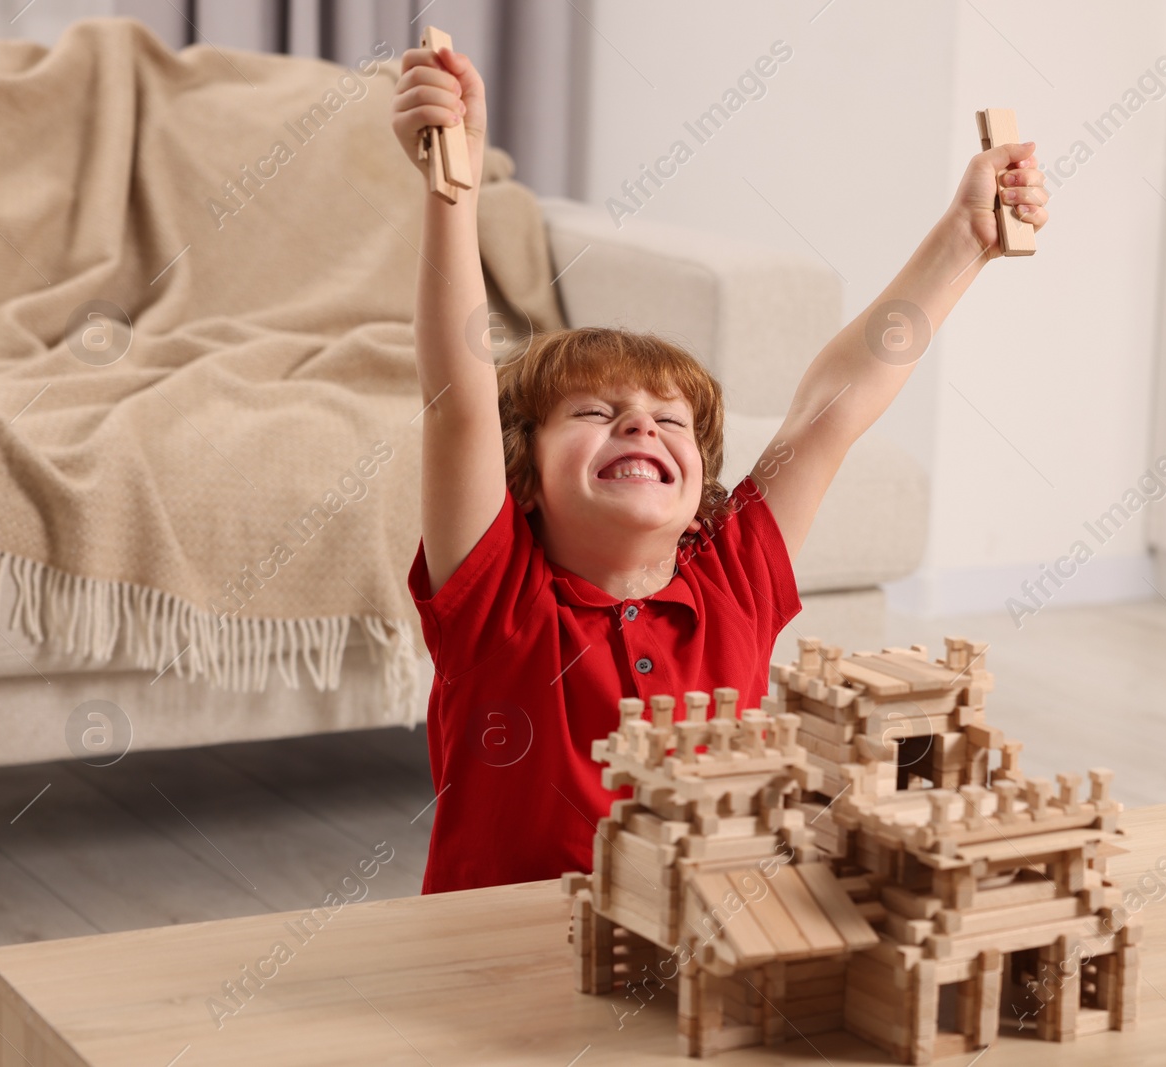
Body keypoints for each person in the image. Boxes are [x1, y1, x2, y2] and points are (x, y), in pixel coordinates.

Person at [390, 42, 1048, 894]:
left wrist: (965, 239)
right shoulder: (499, 601)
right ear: (525, 476)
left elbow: (833, 407)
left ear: (699, 480)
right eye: (595, 413)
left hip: (699, 946)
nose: (640, 424)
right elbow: (461, 399)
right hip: (500, 961)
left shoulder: (731, 575)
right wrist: (455, 187)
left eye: (670, 422)